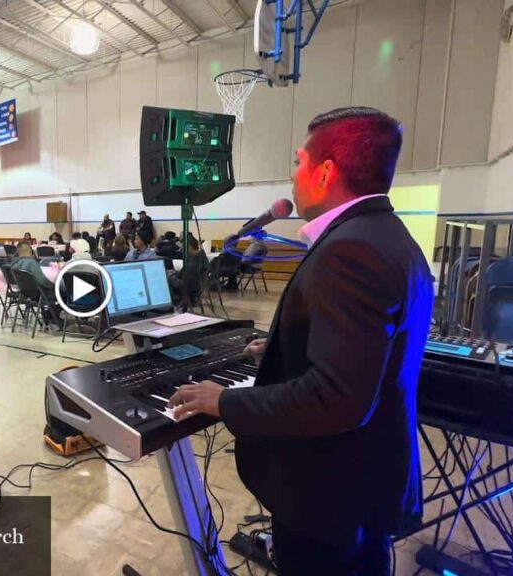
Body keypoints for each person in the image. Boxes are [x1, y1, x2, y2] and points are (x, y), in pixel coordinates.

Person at [167, 107, 433, 575]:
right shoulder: (391, 237)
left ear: (325, 172)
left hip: (330, 497)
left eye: (297, 162)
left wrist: (225, 401)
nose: (292, 176)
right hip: (361, 488)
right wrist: (280, 346)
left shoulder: (352, 250)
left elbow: (336, 399)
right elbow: (364, 355)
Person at [10, 243, 62, 328]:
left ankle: (49, 314)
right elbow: (42, 281)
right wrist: (52, 285)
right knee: (62, 292)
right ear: (30, 251)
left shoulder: (14, 264)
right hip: (39, 294)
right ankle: (54, 317)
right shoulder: (31, 263)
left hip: (25, 293)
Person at [167, 234, 208, 306]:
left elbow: (184, 285)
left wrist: (170, 277)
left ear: (189, 246)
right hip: (196, 289)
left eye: (182, 248)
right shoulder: (201, 257)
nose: (181, 251)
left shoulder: (193, 263)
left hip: (186, 292)